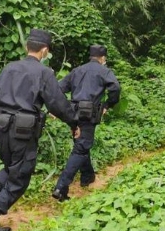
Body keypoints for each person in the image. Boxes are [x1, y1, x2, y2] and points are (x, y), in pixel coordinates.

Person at [0, 29, 77, 231]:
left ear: (27, 47)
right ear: (44, 51)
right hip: (23, 132)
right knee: (20, 178)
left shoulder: (10, 68)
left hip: (1, 127)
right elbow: (58, 104)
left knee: (10, 167)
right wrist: (74, 123)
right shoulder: (44, 73)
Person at [52, 44, 121, 202]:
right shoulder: (104, 71)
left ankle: (87, 177)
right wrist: (107, 105)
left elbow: (58, 88)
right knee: (81, 149)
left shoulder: (77, 70)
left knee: (82, 145)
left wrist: (58, 108)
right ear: (103, 58)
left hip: (73, 113)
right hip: (88, 115)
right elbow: (115, 88)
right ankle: (61, 188)